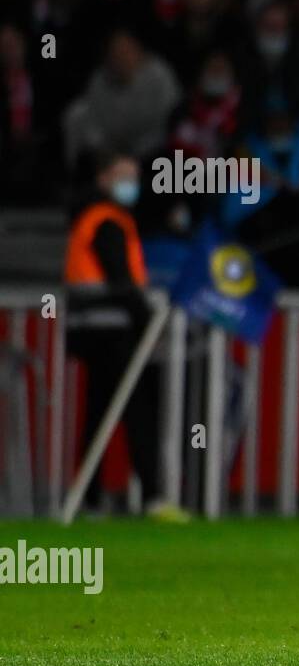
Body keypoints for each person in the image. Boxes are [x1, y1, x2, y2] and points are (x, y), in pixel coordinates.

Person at [64, 151, 189, 523]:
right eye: (122, 176)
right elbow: (121, 281)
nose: (130, 185)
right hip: (112, 332)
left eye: (133, 177)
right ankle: (151, 496)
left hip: (92, 329)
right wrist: (149, 317)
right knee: (138, 412)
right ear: (103, 178)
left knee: (100, 415)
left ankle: (89, 499)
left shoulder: (93, 217)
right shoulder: (107, 221)